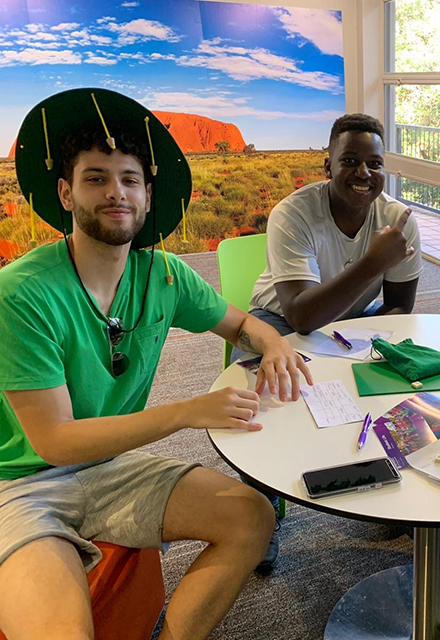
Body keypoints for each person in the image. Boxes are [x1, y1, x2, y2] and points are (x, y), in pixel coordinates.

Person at [0, 88, 313, 640]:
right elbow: (55, 442)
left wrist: (276, 344)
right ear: (65, 193)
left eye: (129, 179)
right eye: (95, 178)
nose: (115, 192)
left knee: (253, 517)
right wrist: (188, 411)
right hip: (19, 485)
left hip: (107, 467)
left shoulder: (164, 274)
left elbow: (243, 324)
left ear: (147, 195)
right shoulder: (21, 294)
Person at [240, 113, 422, 349]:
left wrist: (364, 345)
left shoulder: (399, 220)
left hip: (355, 315)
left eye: (375, 164)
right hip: (279, 319)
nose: (364, 172)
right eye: (350, 161)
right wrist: (373, 263)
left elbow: (399, 306)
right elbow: (301, 318)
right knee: (273, 382)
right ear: (329, 168)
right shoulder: (293, 214)